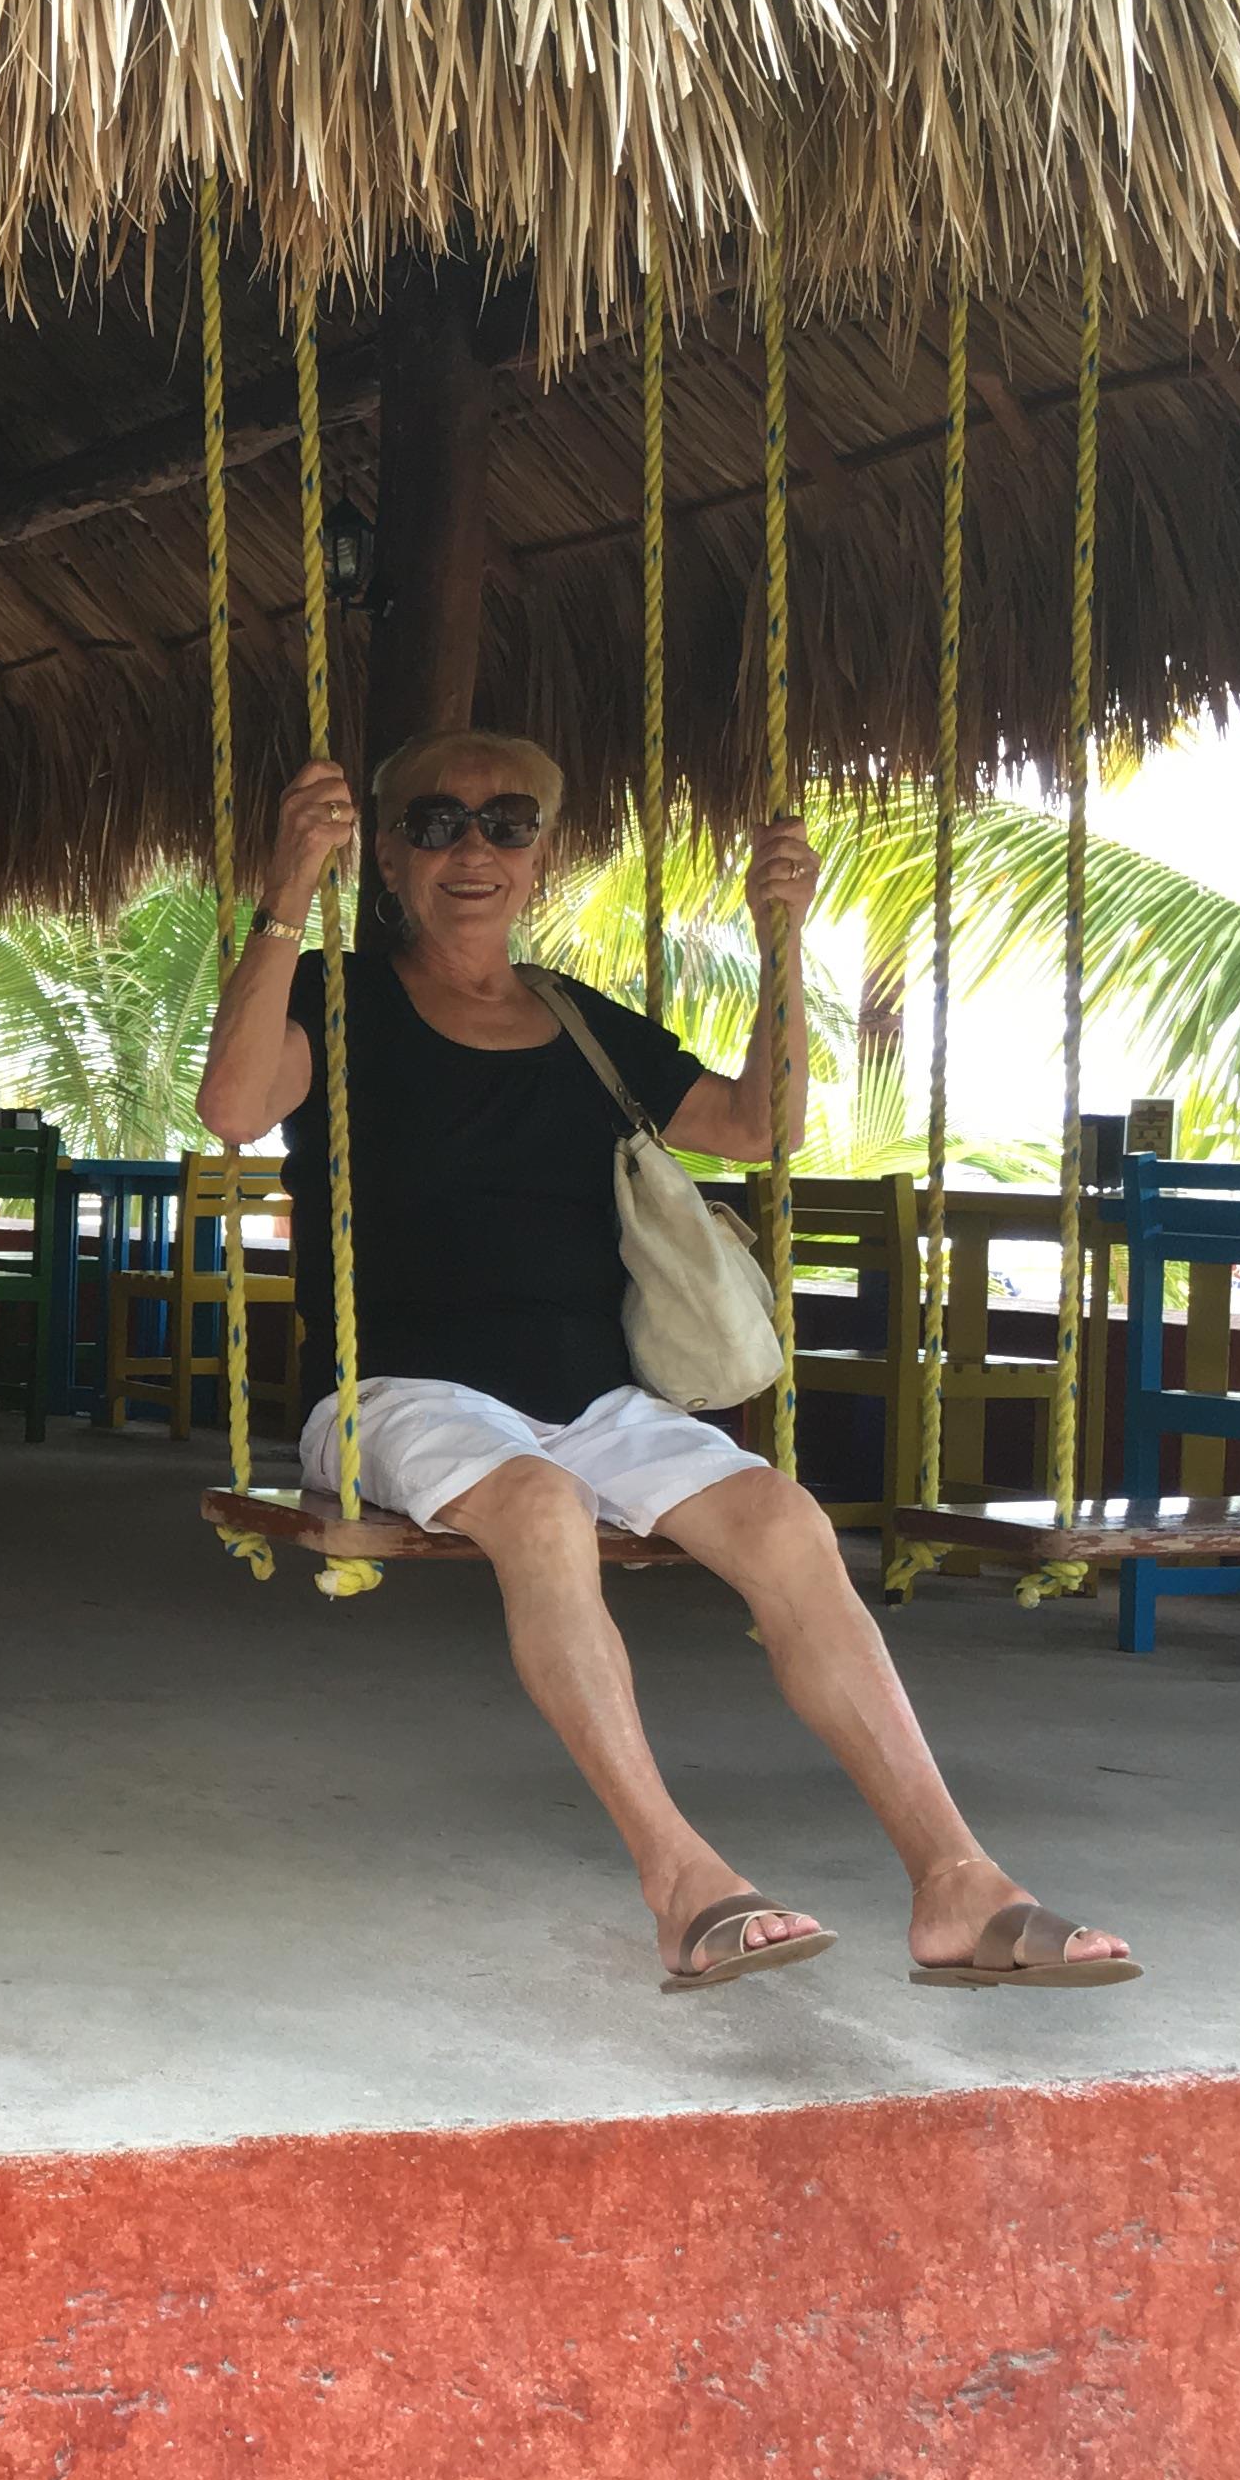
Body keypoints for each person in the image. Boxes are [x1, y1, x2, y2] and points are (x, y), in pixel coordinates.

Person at [194, 727, 1139, 1994]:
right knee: (537, 1510)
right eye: (436, 823)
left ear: (545, 850)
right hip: (395, 1392)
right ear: (391, 852)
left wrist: (781, 940)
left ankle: (955, 1880)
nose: (473, 848)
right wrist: (283, 898)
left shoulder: (586, 1027)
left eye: (506, 821)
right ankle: (678, 1873)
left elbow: (763, 1125)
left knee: (784, 1517)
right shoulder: (336, 999)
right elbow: (235, 1106)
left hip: (595, 1401)